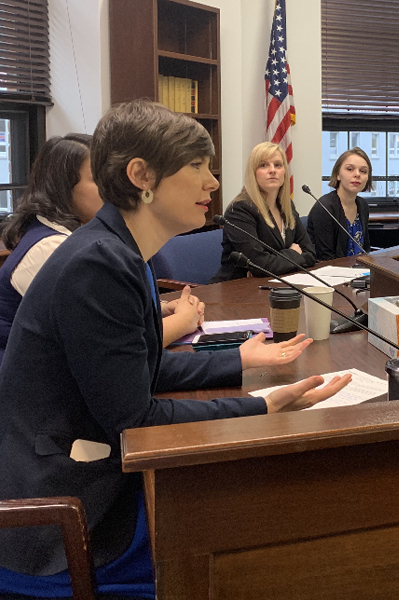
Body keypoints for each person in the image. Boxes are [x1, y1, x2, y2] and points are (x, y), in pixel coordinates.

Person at [0, 101, 350, 598]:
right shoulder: (97, 264)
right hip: (66, 514)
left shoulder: (120, 250)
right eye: (197, 167)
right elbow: (134, 420)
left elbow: (142, 370)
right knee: (249, 541)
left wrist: (236, 362)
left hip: (86, 474)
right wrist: (262, 405)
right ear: (141, 175)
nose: (212, 182)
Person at [0, 135, 203, 360]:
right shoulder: (51, 248)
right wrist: (182, 322)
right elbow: (109, 346)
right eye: (98, 179)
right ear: (62, 187)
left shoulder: (80, 236)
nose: (111, 189)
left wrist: (161, 309)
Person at [211, 142, 315, 282]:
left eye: (278, 165)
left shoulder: (286, 206)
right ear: (253, 173)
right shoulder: (240, 210)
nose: (272, 170)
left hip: (278, 283)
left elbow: (310, 253)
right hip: (238, 289)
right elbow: (260, 265)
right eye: (263, 165)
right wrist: (294, 253)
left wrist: (276, 262)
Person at [306, 147, 372, 260]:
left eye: (363, 171)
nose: (357, 174)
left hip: (361, 271)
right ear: (337, 174)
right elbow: (325, 257)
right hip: (332, 273)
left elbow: (365, 248)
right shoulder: (325, 207)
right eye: (350, 169)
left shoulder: (362, 205)